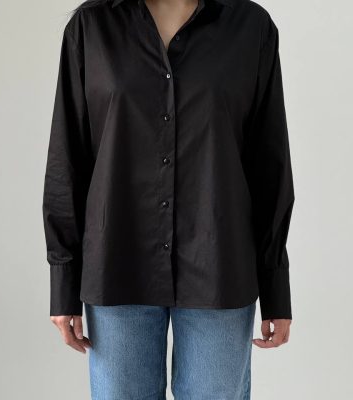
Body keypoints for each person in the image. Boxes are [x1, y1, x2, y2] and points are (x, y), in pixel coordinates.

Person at [42, 0, 295, 398]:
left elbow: (269, 162)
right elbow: (67, 159)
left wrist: (276, 286)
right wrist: (64, 280)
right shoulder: (92, 27)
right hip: (118, 265)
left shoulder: (251, 27)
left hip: (220, 268)